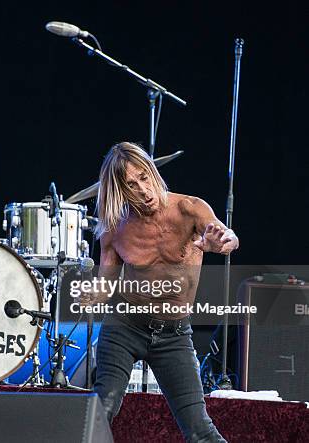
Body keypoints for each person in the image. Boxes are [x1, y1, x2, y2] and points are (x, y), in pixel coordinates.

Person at [82, 142, 238, 442]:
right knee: (102, 409)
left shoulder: (190, 208)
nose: (143, 189)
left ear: (153, 171)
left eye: (144, 176)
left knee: (199, 428)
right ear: (121, 191)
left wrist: (222, 240)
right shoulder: (115, 228)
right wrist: (93, 294)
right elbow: (106, 282)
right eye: (131, 184)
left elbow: (226, 237)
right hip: (125, 326)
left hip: (174, 334)